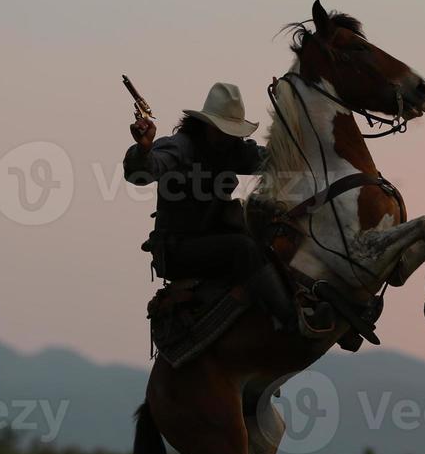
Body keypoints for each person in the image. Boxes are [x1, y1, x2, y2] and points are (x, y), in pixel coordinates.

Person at [125, 82, 307, 335]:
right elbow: (141, 173)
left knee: (275, 233)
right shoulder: (180, 147)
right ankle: (291, 324)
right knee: (243, 248)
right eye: (224, 130)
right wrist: (144, 149)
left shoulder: (232, 149)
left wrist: (294, 121)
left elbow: (276, 161)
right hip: (177, 249)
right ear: (207, 126)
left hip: (213, 238)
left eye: (233, 132)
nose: (229, 137)